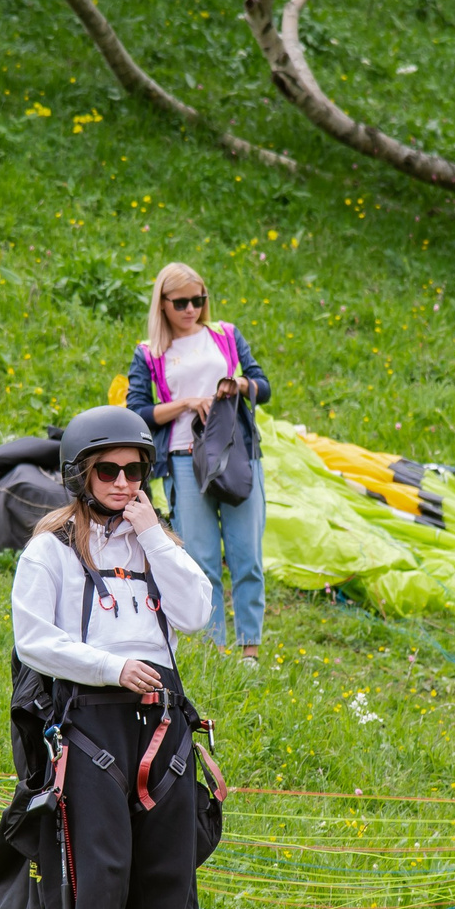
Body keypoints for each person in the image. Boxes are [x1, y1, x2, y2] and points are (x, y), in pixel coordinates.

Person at [6, 405, 215, 909]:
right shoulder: (52, 548)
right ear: (81, 473)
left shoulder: (153, 543)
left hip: (162, 722)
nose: (125, 482)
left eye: (136, 470)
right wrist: (108, 666)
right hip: (91, 718)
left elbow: (198, 611)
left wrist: (153, 533)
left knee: (169, 873)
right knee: (99, 870)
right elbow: (34, 636)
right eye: (110, 470)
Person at [125, 263, 271, 659]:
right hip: (183, 460)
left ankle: (250, 651)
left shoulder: (225, 335)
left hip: (235, 454)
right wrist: (188, 403)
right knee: (200, 561)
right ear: (163, 304)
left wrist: (237, 384)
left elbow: (263, 386)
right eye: (181, 302)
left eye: (198, 300)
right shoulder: (149, 353)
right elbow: (137, 410)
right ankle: (214, 651)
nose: (191, 309)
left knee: (247, 555)